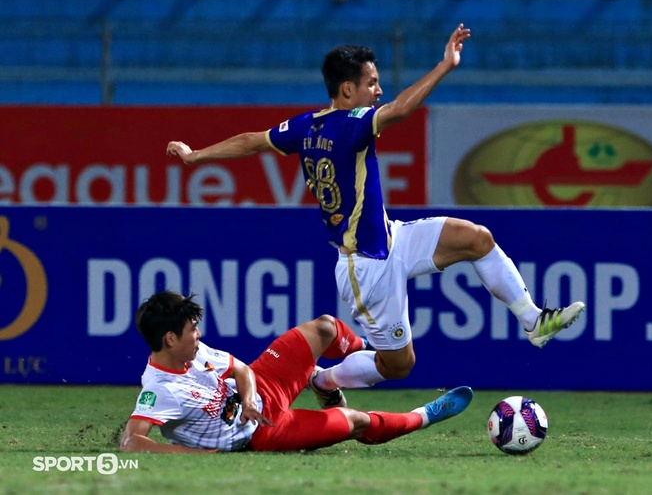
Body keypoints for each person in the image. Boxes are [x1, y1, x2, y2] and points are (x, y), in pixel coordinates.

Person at [166, 23, 585, 394]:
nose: (378, 90)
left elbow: (252, 140)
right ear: (347, 89)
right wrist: (445, 66)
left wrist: (196, 155)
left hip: (391, 237)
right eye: (372, 82)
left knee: (477, 239)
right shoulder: (351, 123)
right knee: (399, 366)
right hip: (365, 266)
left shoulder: (305, 125)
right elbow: (402, 109)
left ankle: (533, 321)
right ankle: (325, 379)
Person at [119, 291, 473, 453]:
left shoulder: (192, 353)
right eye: (192, 329)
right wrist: (195, 456)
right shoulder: (160, 388)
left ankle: (327, 377)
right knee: (354, 421)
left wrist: (247, 397)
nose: (198, 334)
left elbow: (242, 369)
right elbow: (132, 442)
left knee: (324, 327)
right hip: (263, 434)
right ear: (169, 338)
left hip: (263, 385)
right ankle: (424, 415)